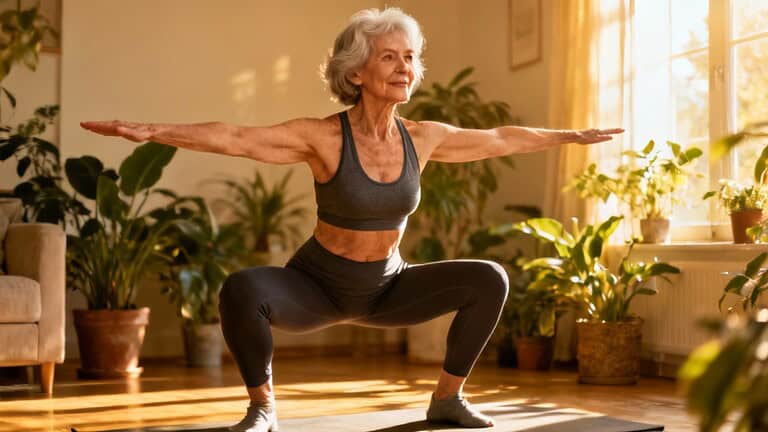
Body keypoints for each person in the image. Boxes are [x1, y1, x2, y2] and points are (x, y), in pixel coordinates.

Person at [81, 7, 622, 432]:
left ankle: (447, 400)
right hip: (315, 287)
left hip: (387, 287)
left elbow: (501, 138)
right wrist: (150, 129)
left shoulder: (423, 137)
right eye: (389, 57)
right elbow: (237, 138)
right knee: (243, 289)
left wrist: (570, 137)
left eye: (410, 57)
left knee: (489, 277)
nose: (404, 67)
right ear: (357, 71)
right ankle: (261, 410)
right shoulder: (323, 136)